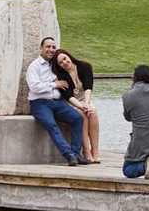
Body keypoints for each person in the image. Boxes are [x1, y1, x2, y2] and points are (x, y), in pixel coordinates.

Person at [26, 37, 88, 166]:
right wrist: (54, 84)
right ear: (41, 48)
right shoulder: (34, 66)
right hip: (40, 103)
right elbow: (34, 87)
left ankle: (76, 153)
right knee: (51, 124)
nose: (51, 49)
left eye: (53, 47)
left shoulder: (56, 65)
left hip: (58, 102)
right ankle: (69, 154)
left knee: (77, 118)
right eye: (48, 47)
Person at [51, 49, 101, 164]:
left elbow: (88, 87)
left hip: (85, 98)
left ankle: (95, 151)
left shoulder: (85, 66)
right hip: (72, 102)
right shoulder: (61, 76)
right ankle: (86, 151)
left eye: (64, 58)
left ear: (69, 56)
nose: (64, 62)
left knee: (93, 113)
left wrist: (87, 104)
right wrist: (81, 107)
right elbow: (68, 96)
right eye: (60, 63)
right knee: (81, 114)